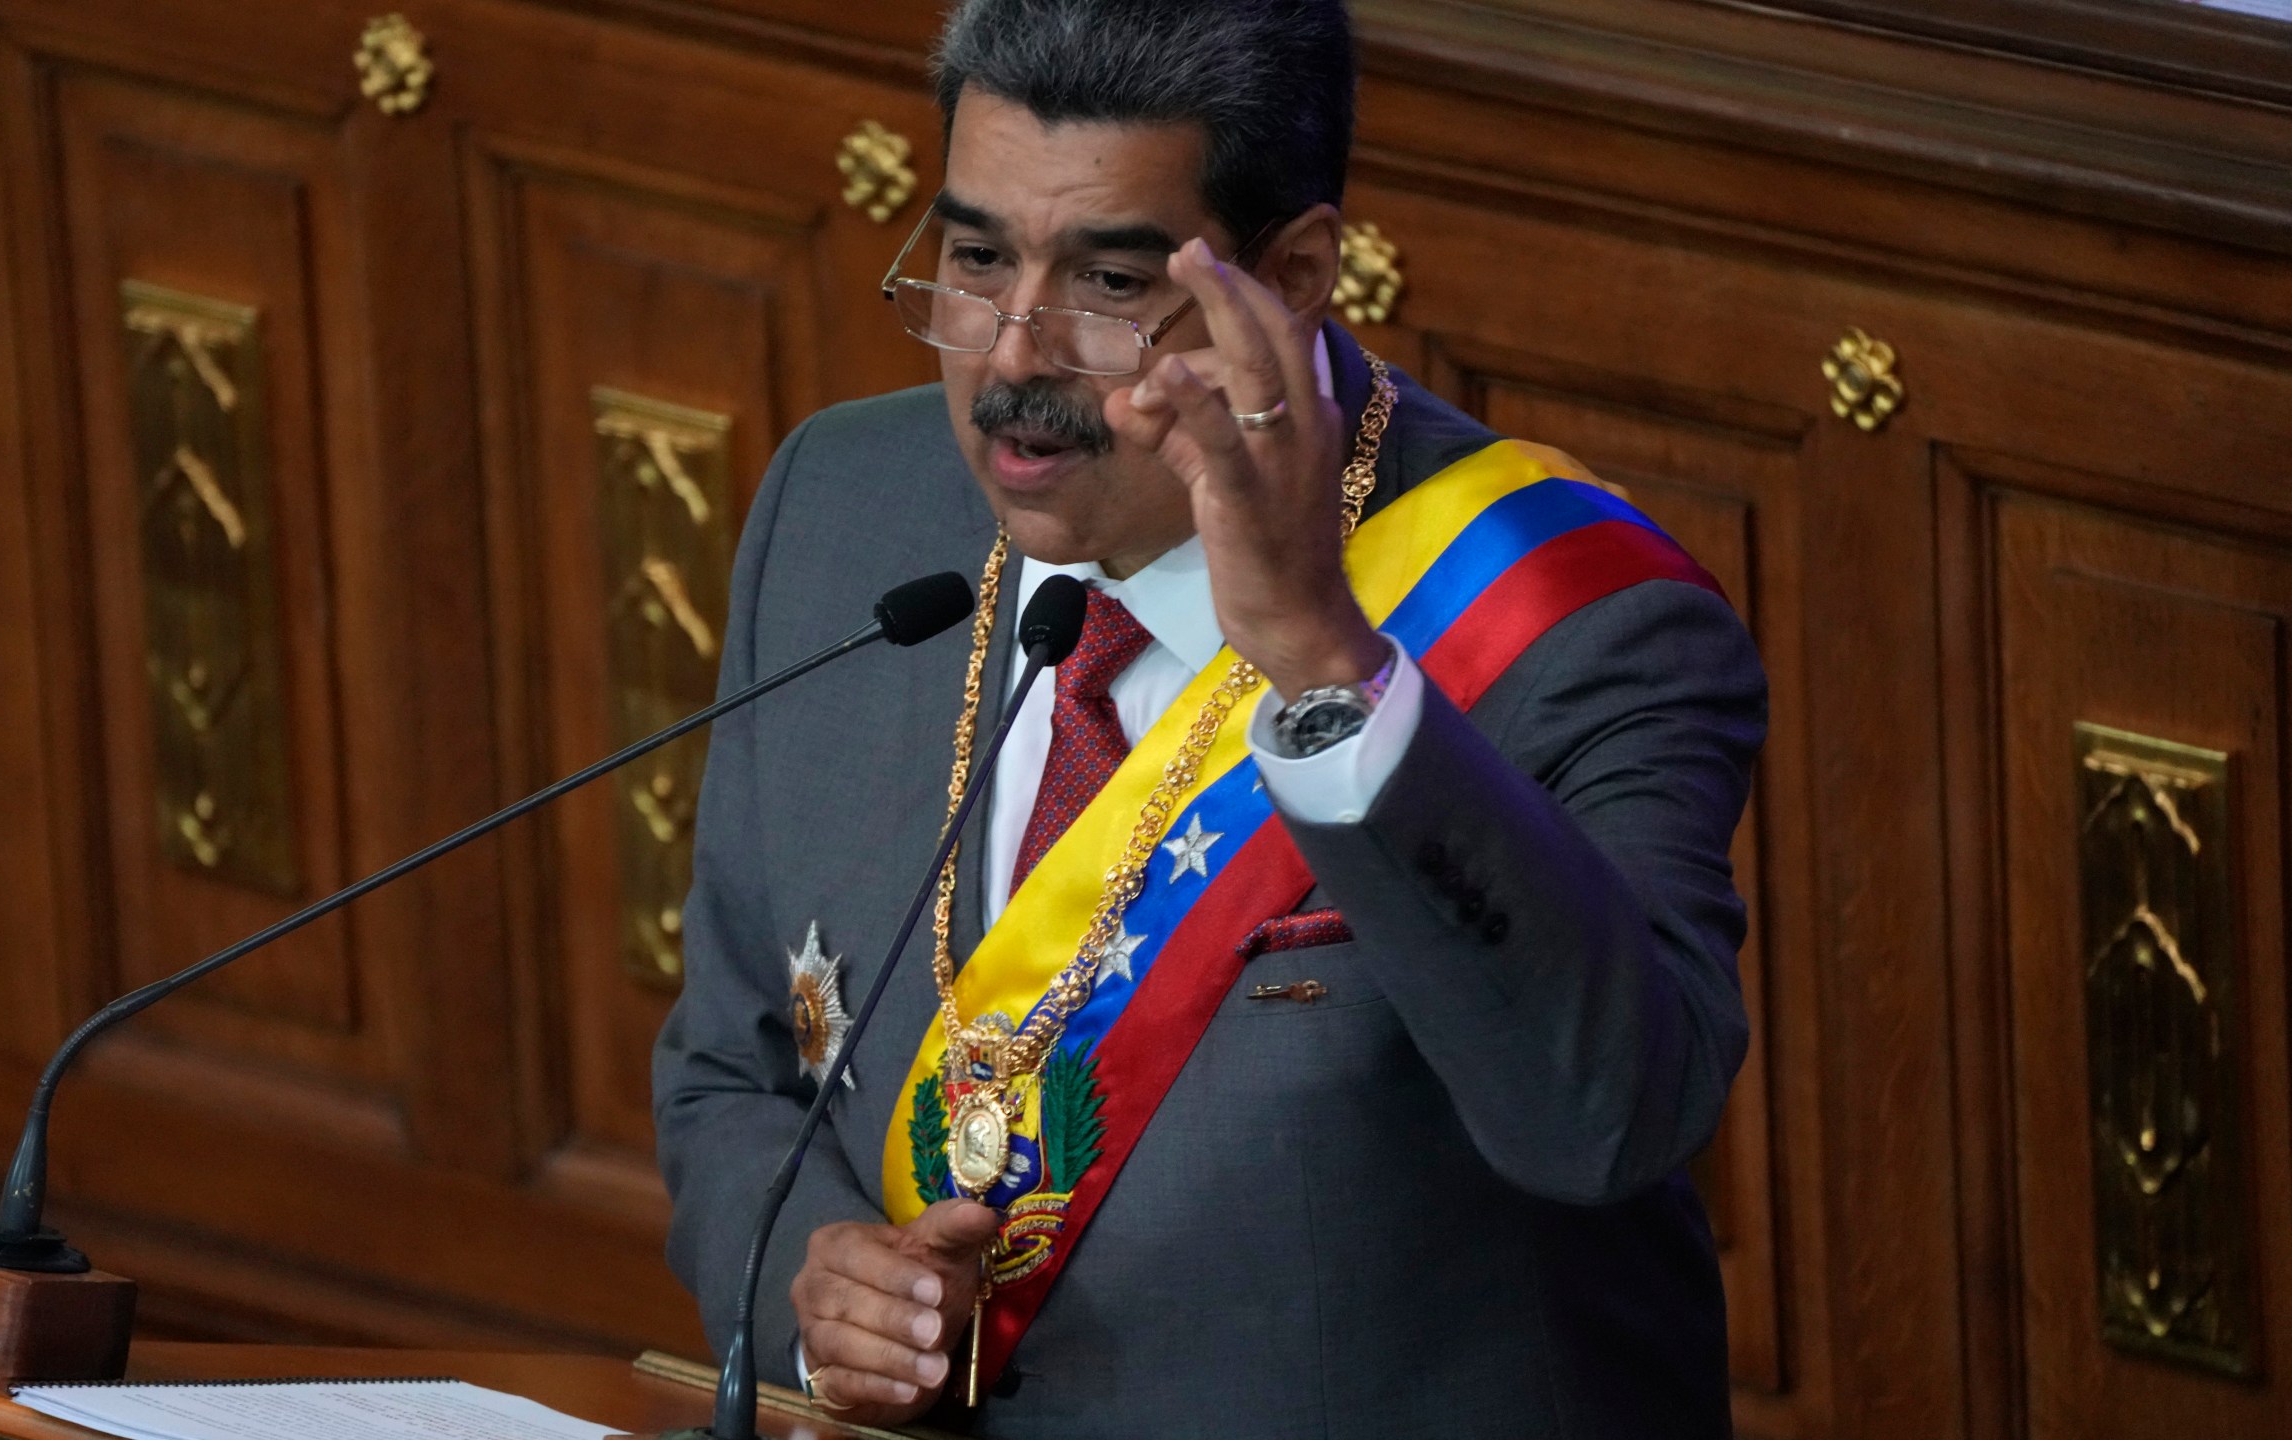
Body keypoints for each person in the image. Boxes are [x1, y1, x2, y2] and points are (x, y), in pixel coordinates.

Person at [652, 1, 1764, 1434]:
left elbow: (1606, 1117)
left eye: (1109, 283)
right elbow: (730, 1072)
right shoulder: (843, 508)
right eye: (976, 260)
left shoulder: (1575, 624)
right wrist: (821, 1298)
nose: (1010, 360)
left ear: (1291, 276)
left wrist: (1322, 662)